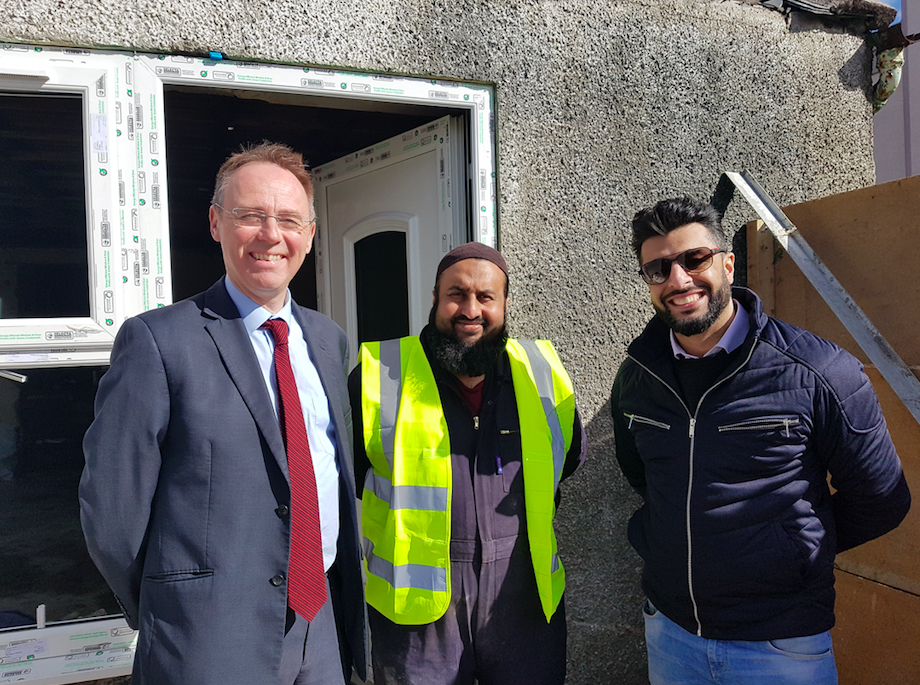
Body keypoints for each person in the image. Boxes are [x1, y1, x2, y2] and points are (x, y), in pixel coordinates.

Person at [80, 142, 367, 685]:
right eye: (250, 216)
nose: (270, 235)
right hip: (207, 638)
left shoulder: (328, 341)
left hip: (320, 625)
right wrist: (175, 605)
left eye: (288, 219)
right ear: (216, 223)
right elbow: (112, 514)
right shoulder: (157, 342)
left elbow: (327, 475)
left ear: (309, 233)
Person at [611, 196, 911, 685]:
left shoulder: (820, 371)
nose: (679, 280)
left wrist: (789, 549)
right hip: (670, 633)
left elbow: (882, 498)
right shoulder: (637, 377)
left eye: (695, 259)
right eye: (659, 269)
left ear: (728, 263)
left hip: (779, 646)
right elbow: (642, 474)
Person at [348, 242, 586, 685]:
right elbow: (346, 480)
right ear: (435, 299)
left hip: (524, 604)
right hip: (417, 617)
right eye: (456, 294)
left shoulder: (543, 372)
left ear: (505, 304)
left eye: (486, 297)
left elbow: (566, 459)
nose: (470, 309)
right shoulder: (378, 373)